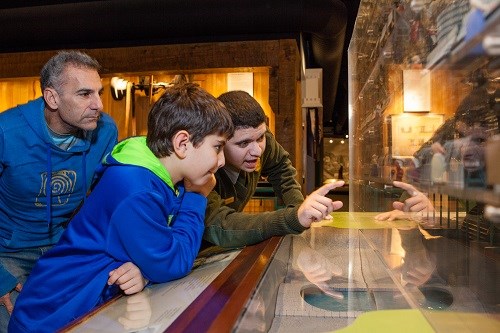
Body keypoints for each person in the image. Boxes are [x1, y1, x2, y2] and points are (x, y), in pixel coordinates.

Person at [8, 82, 234, 333]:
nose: (222, 161)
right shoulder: (137, 189)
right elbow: (173, 261)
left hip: (87, 306)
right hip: (52, 314)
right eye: (218, 146)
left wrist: (146, 270)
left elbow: (159, 247)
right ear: (182, 143)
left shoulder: (164, 177)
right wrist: (197, 197)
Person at [0, 50, 147, 332]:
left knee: (92, 315)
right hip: (8, 249)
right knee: (15, 319)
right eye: (84, 94)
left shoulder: (104, 132)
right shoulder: (6, 132)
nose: (99, 105)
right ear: (52, 98)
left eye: (99, 93)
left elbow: (109, 203)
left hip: (63, 242)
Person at [203, 90, 344, 248]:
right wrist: (293, 217)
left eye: (261, 138)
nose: (257, 151)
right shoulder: (201, 169)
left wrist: (301, 211)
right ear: (219, 142)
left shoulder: (258, 137)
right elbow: (222, 225)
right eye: (243, 143)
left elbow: (281, 169)